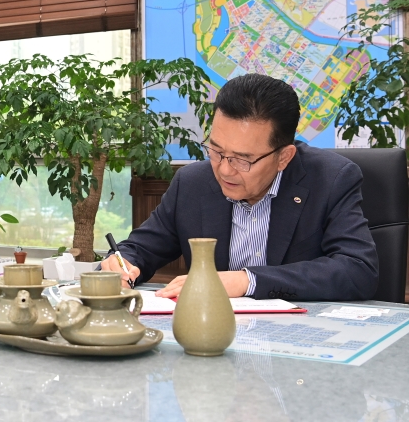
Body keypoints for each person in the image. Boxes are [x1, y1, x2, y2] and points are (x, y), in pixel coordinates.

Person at [101, 73, 378, 301]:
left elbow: (358, 270)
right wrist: (121, 262)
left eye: (243, 159)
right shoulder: (192, 183)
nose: (224, 169)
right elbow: (142, 248)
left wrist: (248, 280)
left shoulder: (330, 179)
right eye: (216, 150)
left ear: (284, 157)